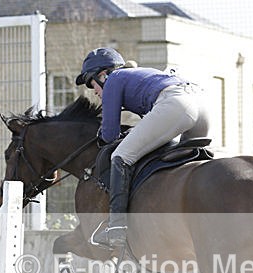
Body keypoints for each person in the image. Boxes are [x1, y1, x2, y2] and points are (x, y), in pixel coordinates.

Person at [75, 47, 210, 249]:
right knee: (188, 167)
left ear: (102, 75)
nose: (94, 91)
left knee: (120, 155)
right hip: (202, 106)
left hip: (176, 104)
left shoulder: (113, 80)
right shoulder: (138, 75)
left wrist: (102, 136)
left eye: (92, 84)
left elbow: (110, 135)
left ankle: (117, 228)